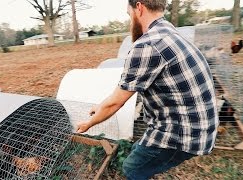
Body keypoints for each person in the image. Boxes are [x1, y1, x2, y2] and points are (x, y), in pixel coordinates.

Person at [76, 0, 219, 179]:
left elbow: (116, 103)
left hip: (185, 135)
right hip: (201, 126)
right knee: (139, 151)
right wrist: (100, 106)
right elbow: (124, 88)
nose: (130, 22)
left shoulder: (147, 45)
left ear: (139, 7)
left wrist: (89, 123)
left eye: (129, 15)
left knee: (132, 169)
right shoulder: (168, 31)